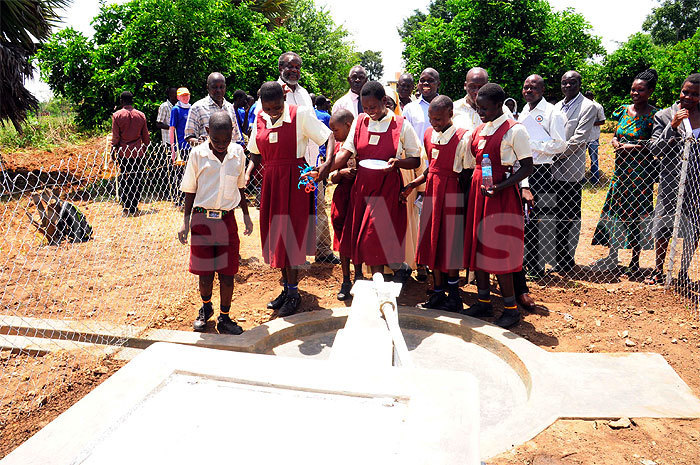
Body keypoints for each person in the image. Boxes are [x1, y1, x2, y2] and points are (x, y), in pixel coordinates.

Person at [246, 81, 332, 316]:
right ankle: (286, 288)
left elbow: (328, 138)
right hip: (272, 180)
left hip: (294, 181)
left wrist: (324, 166)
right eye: (268, 107)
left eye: (277, 107)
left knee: (290, 236)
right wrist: (247, 173)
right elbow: (255, 152)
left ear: (284, 101)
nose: (273, 112)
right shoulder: (260, 117)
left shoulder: (300, 114)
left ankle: (294, 293)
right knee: (276, 236)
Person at [322, 81, 421, 275]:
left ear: (384, 101)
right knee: (358, 234)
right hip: (362, 189)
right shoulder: (360, 121)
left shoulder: (401, 125)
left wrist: (398, 163)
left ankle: (381, 282)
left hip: (387, 190)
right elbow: (344, 153)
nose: (369, 112)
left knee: (375, 237)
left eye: (373, 107)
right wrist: (323, 170)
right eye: (365, 108)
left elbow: (415, 160)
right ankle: (362, 279)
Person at [462, 83, 533, 328]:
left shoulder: (515, 130)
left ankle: (511, 309)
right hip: (479, 193)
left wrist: (501, 187)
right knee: (479, 246)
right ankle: (483, 302)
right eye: (478, 108)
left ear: (498, 106)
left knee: (499, 250)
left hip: (500, 196)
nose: (481, 112)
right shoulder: (480, 129)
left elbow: (526, 166)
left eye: (485, 108)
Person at [178, 111, 252, 335]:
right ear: (208, 133)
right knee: (205, 272)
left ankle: (225, 317)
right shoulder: (198, 155)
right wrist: (185, 221)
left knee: (228, 272)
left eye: (226, 139)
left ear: (232, 134)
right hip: (202, 219)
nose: (221, 145)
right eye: (216, 140)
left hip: (226, 219)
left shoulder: (238, 153)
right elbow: (189, 190)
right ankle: (206, 306)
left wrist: (246, 215)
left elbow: (240, 186)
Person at [402, 96, 470, 312]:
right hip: (432, 193)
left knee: (449, 247)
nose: (435, 123)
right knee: (433, 244)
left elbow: (467, 172)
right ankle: (438, 293)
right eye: (431, 119)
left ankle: (454, 296)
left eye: (439, 119)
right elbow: (431, 168)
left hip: (452, 194)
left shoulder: (462, 138)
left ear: (451, 113)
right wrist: (413, 183)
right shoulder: (429, 135)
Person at [591, 70, 659, 274]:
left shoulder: (654, 115)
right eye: (633, 89)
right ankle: (613, 257)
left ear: (650, 92)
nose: (635, 93)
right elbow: (616, 133)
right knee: (616, 213)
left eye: (640, 90)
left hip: (640, 176)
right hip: (620, 174)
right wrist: (614, 141)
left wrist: (634, 147)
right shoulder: (622, 110)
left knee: (638, 215)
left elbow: (655, 143)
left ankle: (635, 262)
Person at [276, 51, 339, 264]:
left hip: (312, 162)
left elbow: (315, 127)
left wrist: (323, 160)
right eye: (289, 66)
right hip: (288, 163)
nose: (294, 70)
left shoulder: (304, 93)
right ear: (280, 69)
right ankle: (295, 256)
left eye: (297, 67)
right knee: (294, 211)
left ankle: (323, 252)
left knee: (319, 205)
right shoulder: (273, 92)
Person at [513, 75, 567, 310]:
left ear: (543, 89)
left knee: (540, 217)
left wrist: (529, 145)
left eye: (534, 87)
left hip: (542, 170)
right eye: (526, 86)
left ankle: (538, 266)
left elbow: (560, 144)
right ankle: (527, 262)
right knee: (525, 219)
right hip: (521, 171)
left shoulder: (552, 112)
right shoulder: (522, 112)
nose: (529, 90)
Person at [647, 73, 700, 285]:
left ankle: (683, 272)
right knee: (663, 226)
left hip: (697, 182)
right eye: (685, 92)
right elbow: (655, 148)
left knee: (693, 228)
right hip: (671, 180)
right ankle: (658, 270)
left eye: (695, 94)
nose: (688, 97)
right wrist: (673, 125)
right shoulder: (663, 115)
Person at [552, 70, 597, 273]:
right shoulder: (556, 106)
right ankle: (555, 258)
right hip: (551, 171)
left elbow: (579, 140)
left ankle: (567, 260)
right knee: (553, 216)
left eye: (572, 83)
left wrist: (552, 155)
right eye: (564, 83)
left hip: (570, 171)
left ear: (579, 84)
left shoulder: (588, 107)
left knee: (569, 217)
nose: (568, 86)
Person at [328, 109, 363, 300]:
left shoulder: (361, 144)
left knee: (357, 236)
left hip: (359, 195)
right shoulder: (336, 147)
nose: (333, 133)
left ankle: (359, 277)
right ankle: (345, 280)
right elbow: (331, 177)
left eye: (335, 129)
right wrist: (340, 174)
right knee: (342, 239)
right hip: (342, 196)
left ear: (349, 126)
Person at [111, 91, 150, 215]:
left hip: (123, 152)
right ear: (132, 100)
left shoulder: (117, 115)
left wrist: (113, 149)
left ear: (121, 101)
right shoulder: (141, 115)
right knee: (137, 178)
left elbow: (116, 137)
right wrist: (143, 149)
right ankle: (134, 204)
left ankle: (126, 203)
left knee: (125, 176)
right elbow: (146, 138)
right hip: (137, 152)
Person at [184, 72, 242, 148]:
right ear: (208, 88)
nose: (218, 90)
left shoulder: (230, 107)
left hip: (229, 157)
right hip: (206, 156)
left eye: (221, 87)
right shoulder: (197, 108)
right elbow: (189, 137)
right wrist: (199, 142)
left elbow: (236, 137)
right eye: (214, 87)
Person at [403, 68, 441, 143]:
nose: (426, 83)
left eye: (430, 80)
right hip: (417, 154)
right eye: (422, 80)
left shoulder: (447, 107)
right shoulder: (410, 108)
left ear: (438, 84)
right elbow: (403, 136)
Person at [169, 87, 192, 206]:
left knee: (191, 173)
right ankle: (179, 198)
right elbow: (172, 129)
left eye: (187, 95)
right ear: (178, 97)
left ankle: (189, 198)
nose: (185, 98)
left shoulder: (192, 108)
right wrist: (173, 149)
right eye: (183, 96)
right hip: (181, 146)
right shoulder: (176, 109)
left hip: (192, 146)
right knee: (180, 174)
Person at [584, 91, 606, 185]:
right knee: (580, 158)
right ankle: (581, 178)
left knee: (594, 158)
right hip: (583, 137)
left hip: (593, 136)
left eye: (590, 97)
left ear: (592, 97)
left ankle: (595, 178)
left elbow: (602, 121)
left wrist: (590, 123)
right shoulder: (582, 106)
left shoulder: (597, 106)